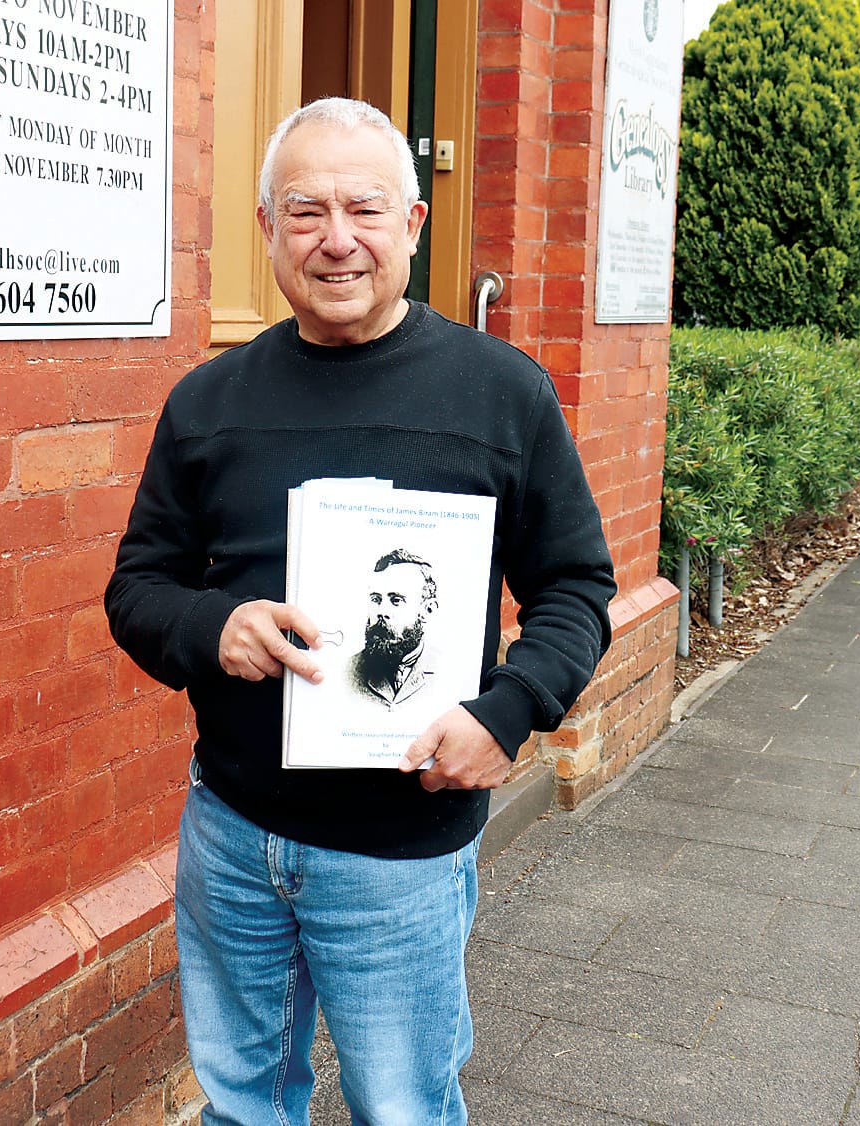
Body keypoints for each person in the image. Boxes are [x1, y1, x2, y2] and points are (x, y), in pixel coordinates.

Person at [104, 97, 614, 1125]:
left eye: (364, 209)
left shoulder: (501, 394)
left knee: (400, 1108)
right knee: (242, 1104)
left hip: (401, 853)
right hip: (233, 830)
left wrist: (507, 712)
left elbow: (576, 588)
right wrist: (213, 630)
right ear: (267, 232)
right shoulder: (208, 402)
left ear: (414, 224)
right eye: (305, 212)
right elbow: (138, 587)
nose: (336, 239)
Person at [350, 549, 439, 709]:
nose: (381, 612)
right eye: (376, 599)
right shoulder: (349, 671)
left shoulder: (448, 672)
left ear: (427, 610)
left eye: (396, 600)